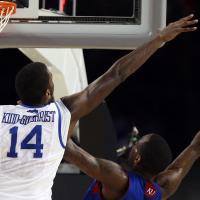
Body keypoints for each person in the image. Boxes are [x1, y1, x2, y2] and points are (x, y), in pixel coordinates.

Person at [0, 14, 197, 200]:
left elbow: (81, 158)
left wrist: (57, 140)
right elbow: (115, 75)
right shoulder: (160, 190)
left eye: (135, 143)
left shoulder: (116, 176)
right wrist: (159, 39)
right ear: (48, 93)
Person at [64, 130, 200, 200]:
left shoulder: (118, 178)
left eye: (136, 145)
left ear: (137, 158)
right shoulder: (159, 192)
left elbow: (71, 152)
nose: (133, 145)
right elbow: (194, 150)